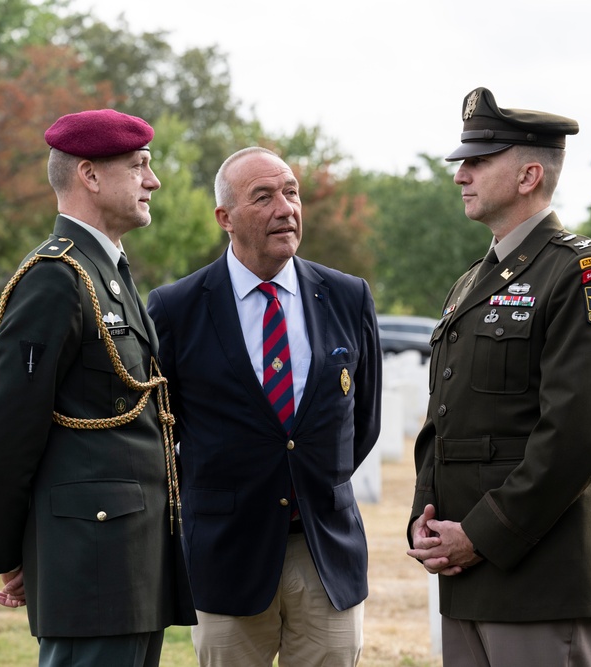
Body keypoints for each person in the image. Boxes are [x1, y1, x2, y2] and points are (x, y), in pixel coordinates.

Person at [406, 88, 591, 667]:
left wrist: (482, 534)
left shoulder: (580, 273)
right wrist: (426, 515)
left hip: (540, 575)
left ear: (530, 173)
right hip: (466, 572)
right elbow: (448, 418)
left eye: (478, 160)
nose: (461, 174)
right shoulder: (471, 282)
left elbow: (575, 434)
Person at [0, 108, 195, 667]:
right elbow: (5, 432)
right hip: (90, 564)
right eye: (139, 166)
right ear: (90, 176)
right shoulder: (56, 278)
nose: (154, 180)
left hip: (130, 559)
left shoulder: (105, 272)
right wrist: (7, 552)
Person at [147, 146, 382, 667]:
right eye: (264, 197)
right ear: (225, 218)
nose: (286, 208)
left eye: (291, 192)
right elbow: (163, 435)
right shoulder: (176, 308)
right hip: (227, 554)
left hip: (325, 550)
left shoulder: (348, 296)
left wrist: (307, 479)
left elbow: (361, 421)